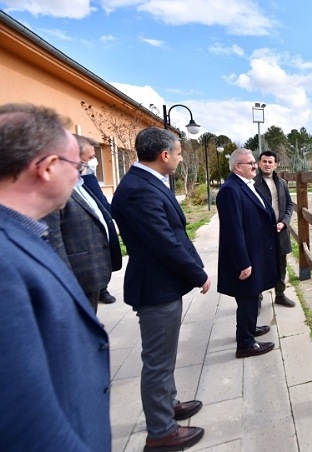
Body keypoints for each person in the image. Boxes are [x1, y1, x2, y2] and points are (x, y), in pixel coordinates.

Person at [0, 103, 111, 450]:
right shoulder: (5, 263)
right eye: (77, 166)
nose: (80, 177)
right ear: (47, 167)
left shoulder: (23, 233)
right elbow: (22, 417)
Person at [110, 127, 210, 451]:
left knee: (164, 357)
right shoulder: (139, 189)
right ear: (164, 155)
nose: (180, 160)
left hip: (161, 283)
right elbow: (164, 242)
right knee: (158, 361)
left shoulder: (146, 181)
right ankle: (161, 432)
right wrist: (197, 273)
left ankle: (169, 405)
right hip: (156, 286)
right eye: (179, 154)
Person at [43, 134, 122, 313]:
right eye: (91, 157)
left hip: (92, 273)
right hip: (78, 277)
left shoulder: (82, 183)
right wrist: (67, 284)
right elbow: (54, 243)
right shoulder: (56, 192)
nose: (94, 162)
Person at [216, 148, 279, 358]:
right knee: (248, 297)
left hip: (255, 252)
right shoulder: (230, 190)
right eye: (250, 163)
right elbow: (232, 230)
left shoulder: (245, 185)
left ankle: (248, 329)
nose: (255, 166)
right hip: (246, 256)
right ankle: (245, 343)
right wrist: (243, 262)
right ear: (237, 167)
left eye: (254, 162)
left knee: (250, 297)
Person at [255, 150, 296, 307]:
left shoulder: (282, 183)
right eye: (264, 161)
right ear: (259, 163)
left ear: (275, 165)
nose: (267, 164)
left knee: (281, 265)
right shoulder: (252, 183)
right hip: (260, 233)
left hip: (280, 232)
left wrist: (284, 222)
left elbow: (289, 205)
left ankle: (280, 295)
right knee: (259, 266)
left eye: (270, 162)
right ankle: (257, 300)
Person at [81, 159, 118, 304]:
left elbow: (102, 202)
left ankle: (103, 288)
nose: (94, 161)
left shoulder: (89, 178)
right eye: (90, 156)